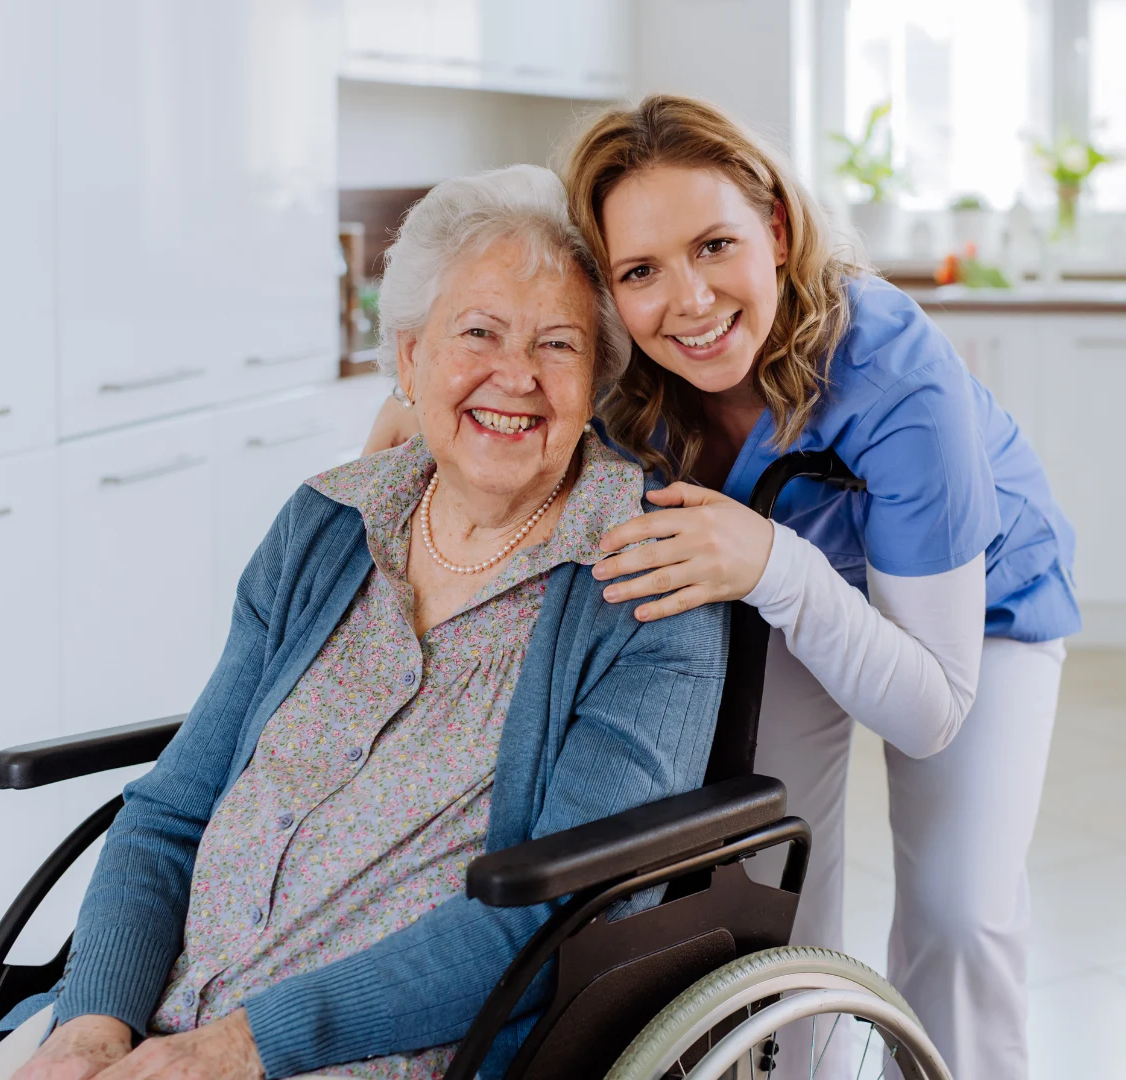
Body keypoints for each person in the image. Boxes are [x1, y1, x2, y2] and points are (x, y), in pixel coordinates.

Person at [365, 96, 1080, 1080]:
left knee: (959, 914)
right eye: (642, 272)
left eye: (714, 246)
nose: (690, 302)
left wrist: (776, 565)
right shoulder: (627, 372)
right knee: (769, 873)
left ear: (776, 230)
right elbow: (480, 386)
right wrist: (407, 423)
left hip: (978, 615)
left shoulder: (896, 381)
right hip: (772, 584)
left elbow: (929, 712)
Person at [0, 165, 729, 1080]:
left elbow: (556, 914)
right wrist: (91, 1025)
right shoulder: (326, 523)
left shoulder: (646, 576)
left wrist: (242, 1048)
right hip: (147, 1025)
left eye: (557, 345)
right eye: (477, 332)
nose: (515, 376)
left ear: (597, 376)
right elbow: (170, 815)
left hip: (382, 1051)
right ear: (410, 359)